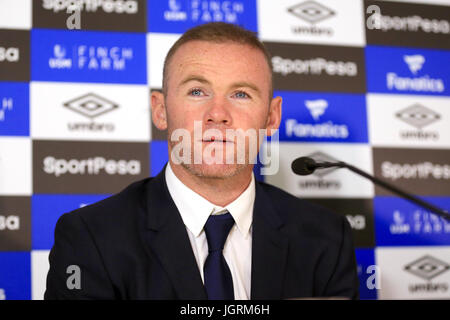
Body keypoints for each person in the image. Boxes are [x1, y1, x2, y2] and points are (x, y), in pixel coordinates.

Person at [45, 22, 359, 300]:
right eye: (197, 91)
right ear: (161, 110)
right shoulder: (90, 237)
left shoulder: (327, 237)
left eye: (241, 94)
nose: (218, 114)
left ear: (272, 115)